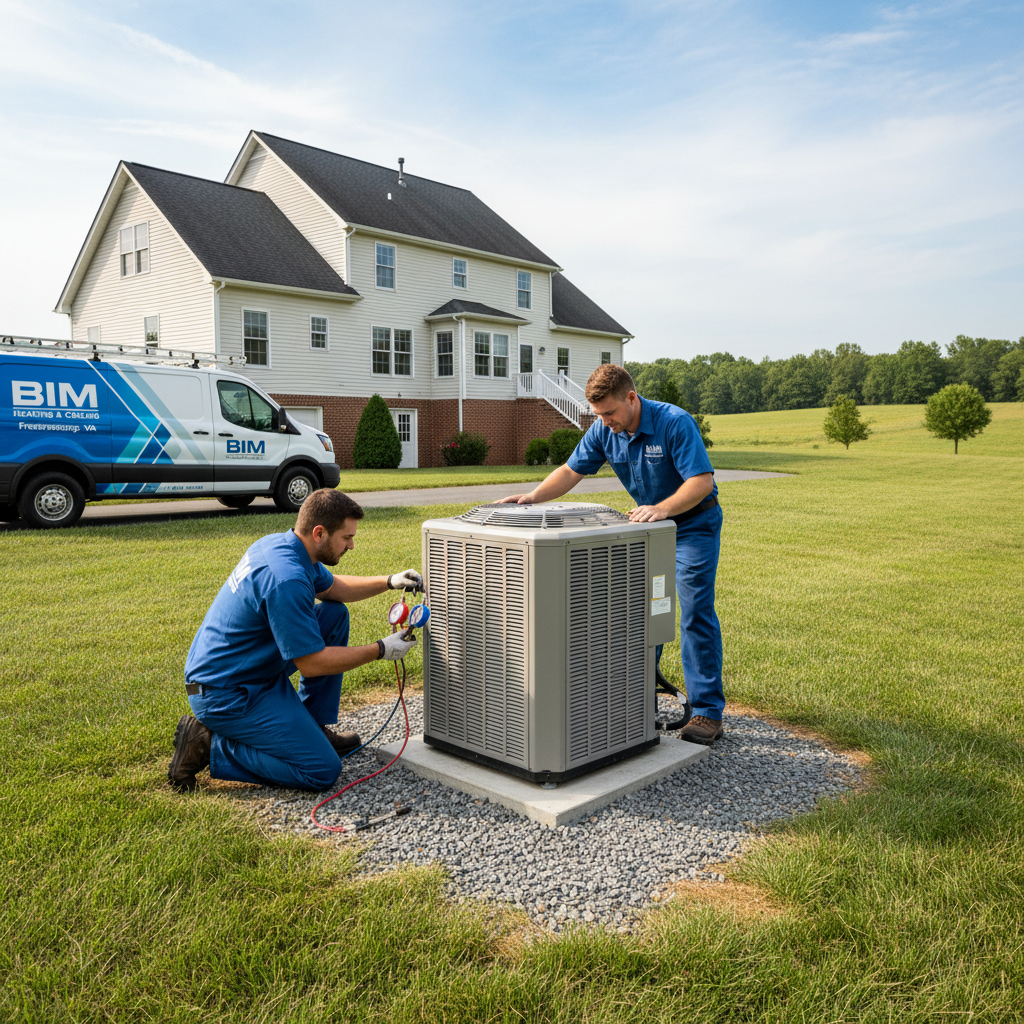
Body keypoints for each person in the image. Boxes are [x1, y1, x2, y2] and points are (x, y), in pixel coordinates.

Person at [500, 364, 725, 744]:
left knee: (693, 611)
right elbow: (571, 471)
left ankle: (706, 712)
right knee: (637, 612)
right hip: (649, 529)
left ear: (632, 398)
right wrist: (532, 498)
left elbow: (702, 482)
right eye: (598, 415)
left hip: (692, 527)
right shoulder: (604, 430)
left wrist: (664, 508)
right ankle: (634, 701)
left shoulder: (674, 422)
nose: (604, 423)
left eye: (609, 413)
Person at [168, 489, 421, 792]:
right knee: (322, 770)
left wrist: (389, 581)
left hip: (248, 669)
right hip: (226, 694)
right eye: (346, 537)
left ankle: (312, 727)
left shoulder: (284, 546)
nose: (351, 545)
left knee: (333, 614)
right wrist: (381, 649)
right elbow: (312, 664)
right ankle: (208, 744)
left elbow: (334, 589)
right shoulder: (285, 578)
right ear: (319, 533)